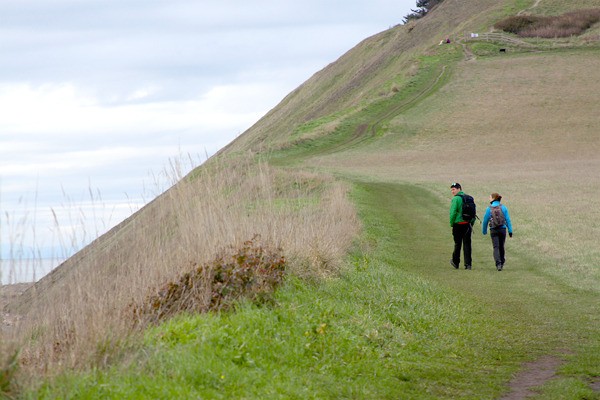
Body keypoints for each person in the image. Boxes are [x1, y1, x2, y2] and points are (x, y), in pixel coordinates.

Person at [482, 193, 513, 271]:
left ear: (493, 198)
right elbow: (508, 220)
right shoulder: (504, 208)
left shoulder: (489, 209)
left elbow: (485, 220)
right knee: (501, 246)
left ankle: (498, 264)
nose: (489, 198)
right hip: (502, 229)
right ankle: (502, 263)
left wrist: (484, 230)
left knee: (496, 247)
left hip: (493, 229)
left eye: (490, 197)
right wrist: (510, 230)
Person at [449, 183, 474, 270]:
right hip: (467, 224)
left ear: (459, 189)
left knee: (457, 244)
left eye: (454, 189)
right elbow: (473, 212)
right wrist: (471, 222)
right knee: (467, 244)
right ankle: (468, 265)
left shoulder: (456, 199)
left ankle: (456, 262)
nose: (452, 191)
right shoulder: (469, 198)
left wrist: (451, 223)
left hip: (458, 224)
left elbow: (452, 212)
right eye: (452, 189)